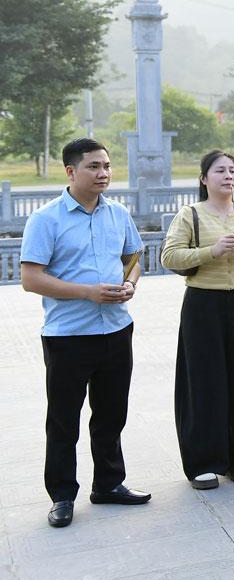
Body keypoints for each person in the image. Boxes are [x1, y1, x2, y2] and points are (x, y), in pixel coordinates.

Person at [19, 139, 151, 528]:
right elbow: (31, 278)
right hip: (68, 336)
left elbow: (133, 259)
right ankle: (62, 495)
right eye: (93, 166)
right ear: (71, 171)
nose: (103, 173)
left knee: (111, 414)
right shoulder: (45, 219)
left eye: (107, 166)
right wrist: (88, 292)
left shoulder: (118, 214)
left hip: (117, 329)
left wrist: (130, 284)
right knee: (64, 420)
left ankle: (108, 484)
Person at [160, 150, 234, 490]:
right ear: (204, 179)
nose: (228, 176)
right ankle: (203, 462)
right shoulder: (189, 214)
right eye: (220, 171)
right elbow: (169, 256)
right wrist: (213, 251)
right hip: (203, 303)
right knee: (204, 382)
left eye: (233, 170)